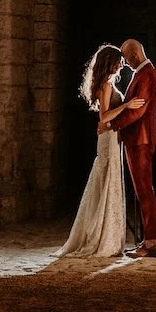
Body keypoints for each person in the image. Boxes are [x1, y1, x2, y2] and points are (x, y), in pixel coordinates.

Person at [59, 43, 126, 259]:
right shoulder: (106, 86)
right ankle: (102, 238)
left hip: (110, 137)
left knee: (108, 183)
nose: (121, 64)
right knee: (107, 183)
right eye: (118, 61)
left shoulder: (107, 84)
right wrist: (127, 106)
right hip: (108, 137)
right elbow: (104, 117)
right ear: (109, 62)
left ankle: (108, 235)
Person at [98, 36, 156, 258]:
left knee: (144, 190)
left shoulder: (147, 75)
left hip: (140, 139)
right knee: (142, 190)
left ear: (135, 54)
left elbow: (138, 111)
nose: (124, 62)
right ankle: (147, 241)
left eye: (125, 57)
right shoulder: (142, 73)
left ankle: (151, 243)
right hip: (136, 138)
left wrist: (112, 125)